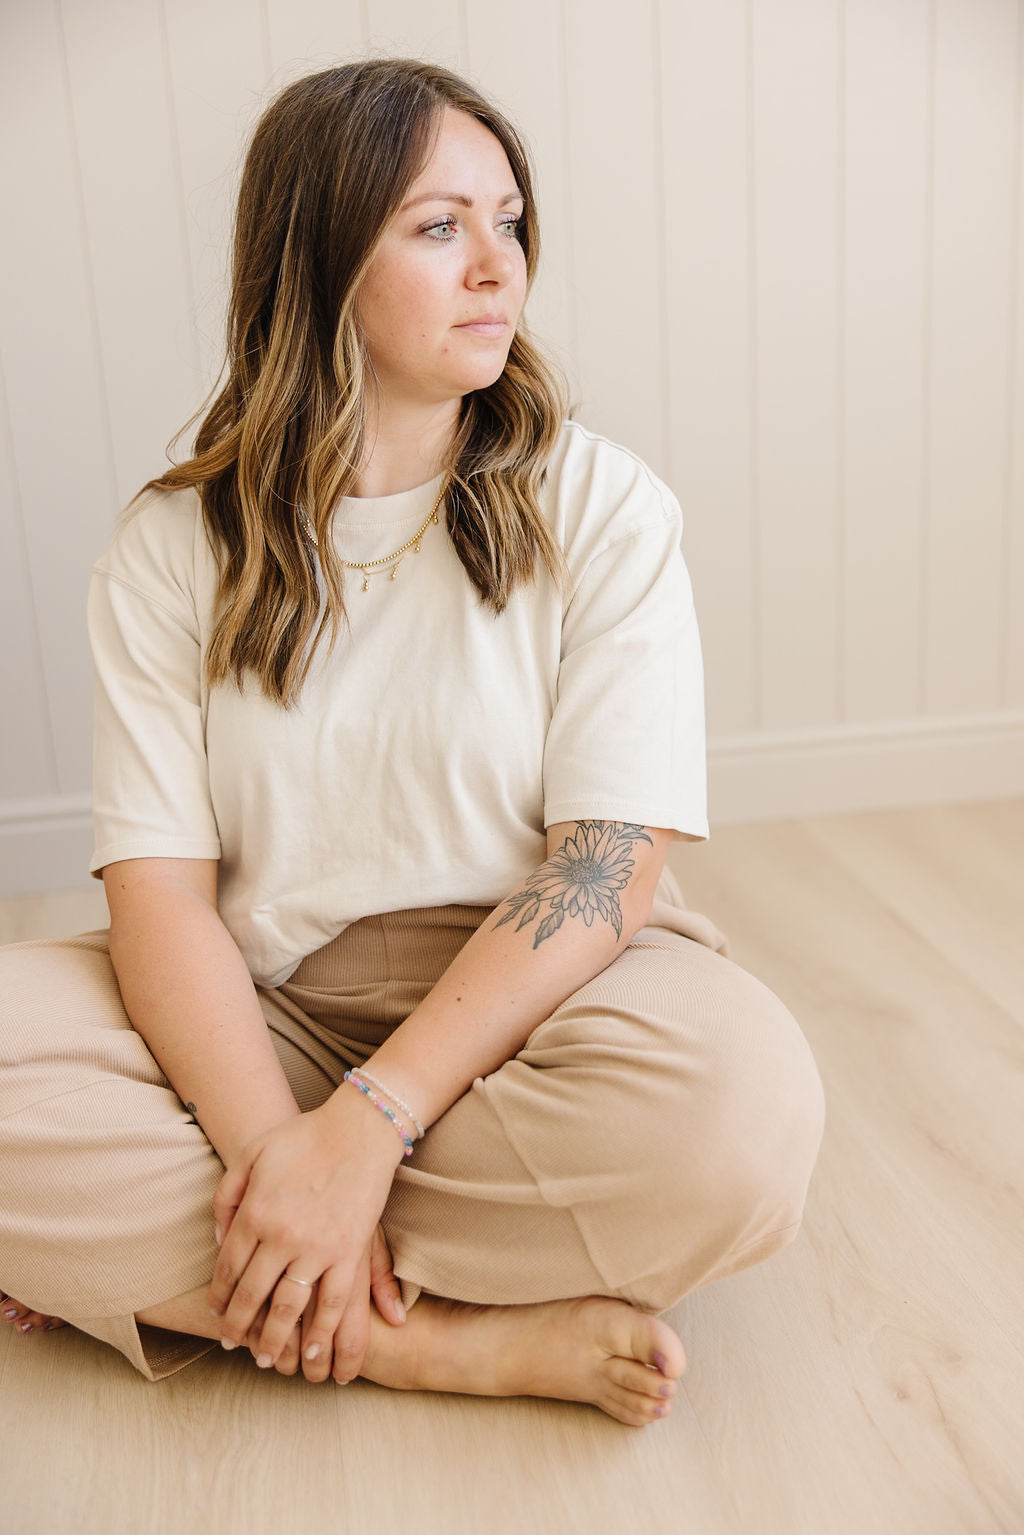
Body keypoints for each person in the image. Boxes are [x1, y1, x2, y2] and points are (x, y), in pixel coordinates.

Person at [0, 58, 825, 1428]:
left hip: (543, 999)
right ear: (317, 257)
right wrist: (286, 1152)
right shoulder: (169, 549)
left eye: (509, 223)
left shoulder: (603, 505)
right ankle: (424, 1338)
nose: (495, 267)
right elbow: (158, 901)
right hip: (261, 1011)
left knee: (738, 1118)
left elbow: (607, 867)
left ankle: (207, 1276)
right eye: (440, 227)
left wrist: (372, 1128)